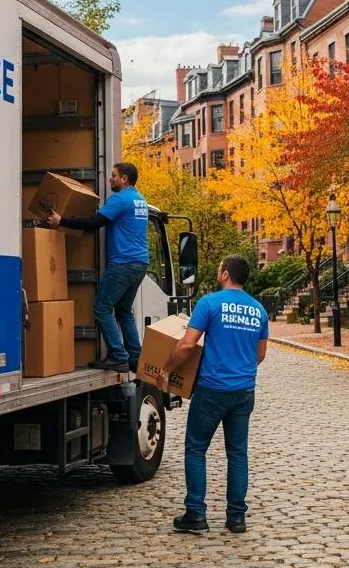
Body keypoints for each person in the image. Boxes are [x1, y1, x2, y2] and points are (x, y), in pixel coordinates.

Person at [157, 255, 268, 535]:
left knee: (196, 449)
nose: (219, 272)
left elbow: (186, 346)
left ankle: (195, 514)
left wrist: (167, 370)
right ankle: (236, 517)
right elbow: (260, 355)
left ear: (226, 275)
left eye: (220, 268)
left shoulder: (209, 303)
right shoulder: (258, 310)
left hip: (211, 389)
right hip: (243, 391)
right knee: (237, 453)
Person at [48, 162, 149, 373]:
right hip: (139, 263)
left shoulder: (120, 199)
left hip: (123, 263)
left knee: (102, 308)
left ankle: (118, 356)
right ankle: (135, 358)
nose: (110, 179)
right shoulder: (139, 200)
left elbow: (95, 223)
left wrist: (62, 220)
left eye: (114, 176)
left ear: (124, 179)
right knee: (123, 311)